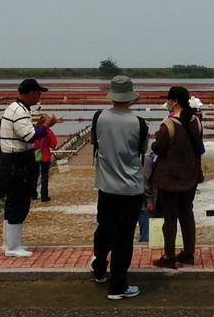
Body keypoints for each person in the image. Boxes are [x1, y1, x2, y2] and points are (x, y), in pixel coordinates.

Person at [90, 75, 146, 300]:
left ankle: (99, 269)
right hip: (130, 189)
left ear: (112, 95)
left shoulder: (99, 117)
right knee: (123, 238)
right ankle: (118, 286)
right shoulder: (139, 122)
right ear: (130, 97)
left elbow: (95, 144)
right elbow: (141, 150)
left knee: (104, 229)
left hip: (106, 186)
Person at [0, 79, 59, 258]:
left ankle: (9, 243)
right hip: (17, 160)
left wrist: (39, 126)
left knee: (13, 202)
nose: (40, 96)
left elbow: (26, 131)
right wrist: (46, 126)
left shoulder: (16, 108)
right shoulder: (20, 110)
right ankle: (13, 247)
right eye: (39, 93)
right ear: (31, 93)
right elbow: (29, 136)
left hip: (11, 159)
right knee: (19, 202)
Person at [150, 86, 204, 269]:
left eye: (168, 99)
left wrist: (155, 143)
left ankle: (169, 255)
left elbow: (159, 148)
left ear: (174, 101)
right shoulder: (196, 121)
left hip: (169, 178)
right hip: (190, 175)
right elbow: (198, 147)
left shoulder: (169, 123)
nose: (167, 102)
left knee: (170, 217)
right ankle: (188, 253)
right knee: (187, 214)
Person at [33, 127, 59, 202]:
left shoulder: (34, 130)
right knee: (44, 175)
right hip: (45, 155)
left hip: (35, 155)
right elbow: (54, 144)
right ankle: (44, 196)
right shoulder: (48, 131)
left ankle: (33, 194)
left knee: (34, 175)